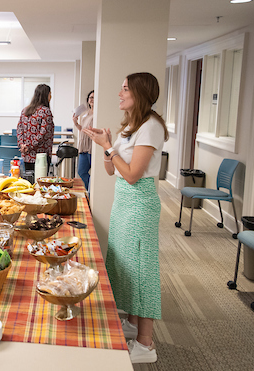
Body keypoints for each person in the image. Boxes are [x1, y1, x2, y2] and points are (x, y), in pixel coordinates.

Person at [84, 72, 168, 364]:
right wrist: (105, 146)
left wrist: (109, 147)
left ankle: (146, 344)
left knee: (142, 269)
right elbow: (113, 170)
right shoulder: (131, 126)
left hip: (140, 202)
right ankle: (132, 323)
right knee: (125, 264)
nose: (119, 94)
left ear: (140, 93)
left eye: (124, 90)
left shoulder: (151, 126)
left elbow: (133, 175)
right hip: (124, 201)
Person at [16, 84, 54, 173]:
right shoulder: (45, 111)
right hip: (41, 156)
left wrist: (22, 145)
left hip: (26, 155)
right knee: (40, 183)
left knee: (28, 182)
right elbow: (43, 134)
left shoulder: (25, 110)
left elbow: (19, 129)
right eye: (50, 94)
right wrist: (29, 146)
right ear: (46, 95)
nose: (51, 96)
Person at [72, 90, 94, 190]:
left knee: (93, 172)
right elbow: (83, 129)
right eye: (90, 97)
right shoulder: (86, 114)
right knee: (81, 171)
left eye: (94, 97)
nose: (92, 99)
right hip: (83, 146)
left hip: (91, 146)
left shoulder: (97, 113)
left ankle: (91, 191)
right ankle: (89, 189)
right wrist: (76, 123)